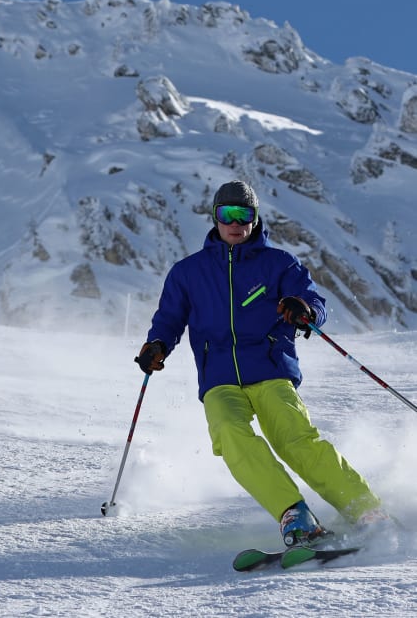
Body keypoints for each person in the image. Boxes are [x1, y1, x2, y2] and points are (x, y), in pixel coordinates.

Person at [136, 179, 387, 546]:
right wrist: (157, 344)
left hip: (270, 369)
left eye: (245, 214)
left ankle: (364, 508)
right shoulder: (188, 272)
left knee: (295, 438)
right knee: (230, 436)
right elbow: (169, 319)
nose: (236, 223)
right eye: (228, 214)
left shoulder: (279, 263)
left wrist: (305, 310)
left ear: (255, 219)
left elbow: (312, 301)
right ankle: (294, 514)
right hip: (218, 375)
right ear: (215, 219)